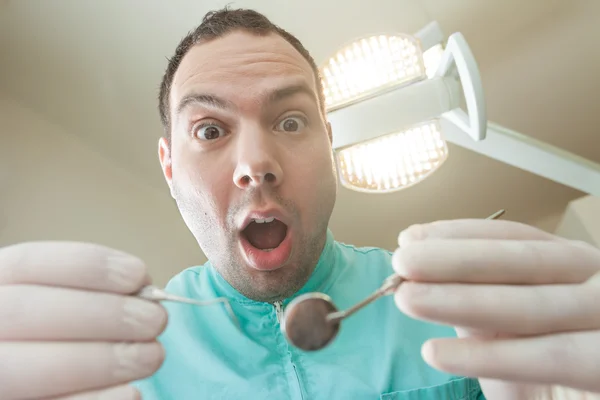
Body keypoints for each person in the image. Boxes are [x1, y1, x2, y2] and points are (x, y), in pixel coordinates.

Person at [1, 7, 599, 400]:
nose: (256, 164)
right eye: (210, 131)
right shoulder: (125, 368)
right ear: (169, 168)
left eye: (291, 120)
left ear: (330, 144)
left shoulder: (459, 313)